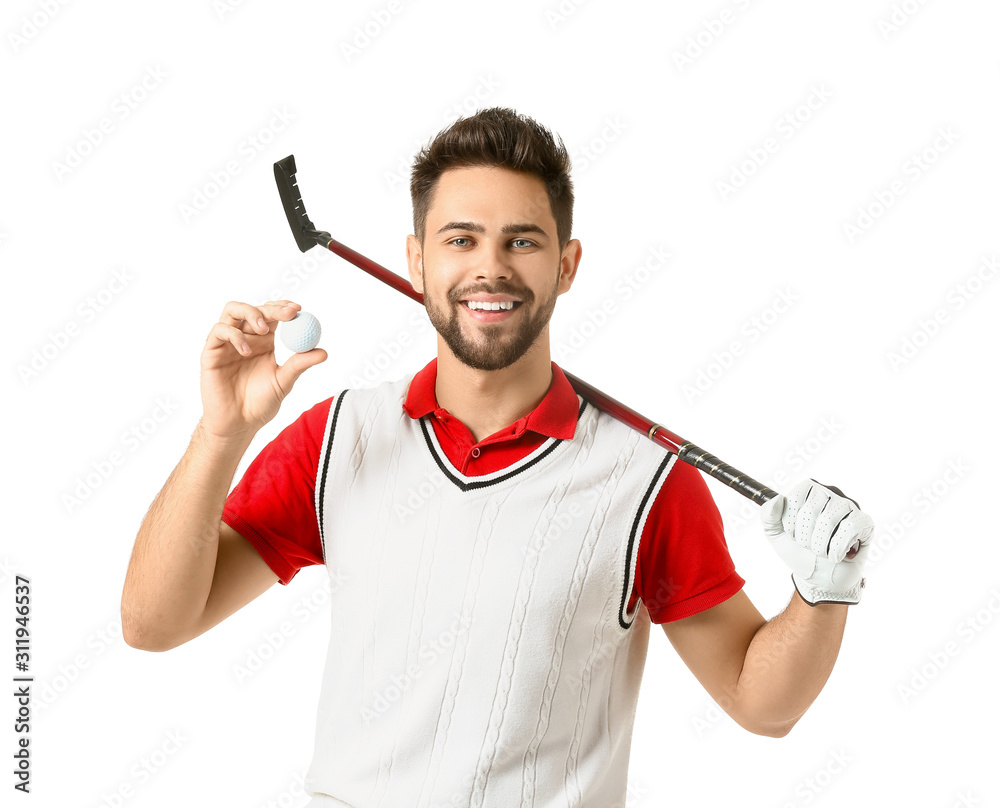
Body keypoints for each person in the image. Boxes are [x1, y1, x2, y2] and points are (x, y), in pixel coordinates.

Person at [121, 107, 874, 808]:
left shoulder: (646, 481)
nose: (491, 267)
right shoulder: (338, 437)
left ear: (567, 264)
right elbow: (153, 623)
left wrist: (823, 594)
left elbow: (759, 704)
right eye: (460, 239)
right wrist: (221, 435)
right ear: (416, 262)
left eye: (522, 239)